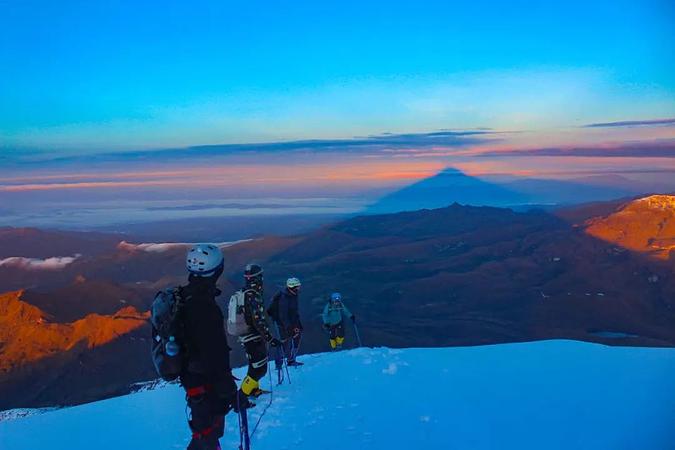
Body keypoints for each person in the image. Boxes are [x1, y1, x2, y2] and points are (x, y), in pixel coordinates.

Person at [181, 244, 239, 450]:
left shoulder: (183, 298)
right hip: (207, 385)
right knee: (207, 435)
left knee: (203, 434)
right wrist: (231, 392)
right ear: (217, 270)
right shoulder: (205, 308)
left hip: (193, 381)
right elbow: (215, 355)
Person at [232, 264, 280, 399]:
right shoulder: (253, 295)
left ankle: (253, 390)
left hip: (246, 335)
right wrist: (270, 338)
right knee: (259, 369)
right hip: (253, 337)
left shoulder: (245, 292)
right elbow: (258, 321)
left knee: (254, 366)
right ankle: (240, 397)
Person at [268, 277, 303, 367]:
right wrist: (289, 327)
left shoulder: (292, 295)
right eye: (297, 286)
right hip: (282, 324)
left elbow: (293, 312)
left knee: (295, 338)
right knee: (284, 341)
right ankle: (280, 363)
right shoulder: (285, 298)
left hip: (290, 322)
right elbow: (283, 315)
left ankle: (290, 359)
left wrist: (297, 325)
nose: (299, 288)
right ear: (293, 287)